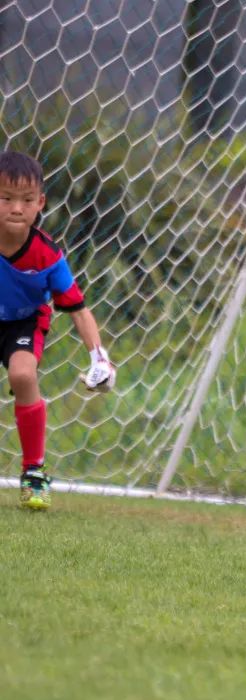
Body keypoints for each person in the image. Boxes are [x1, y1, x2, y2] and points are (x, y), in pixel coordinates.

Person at [0, 150, 116, 510]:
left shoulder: (48, 257)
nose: (16, 208)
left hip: (24, 321)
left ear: (40, 204)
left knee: (22, 374)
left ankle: (34, 472)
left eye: (26, 200)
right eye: (5, 198)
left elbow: (79, 310)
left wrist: (100, 358)